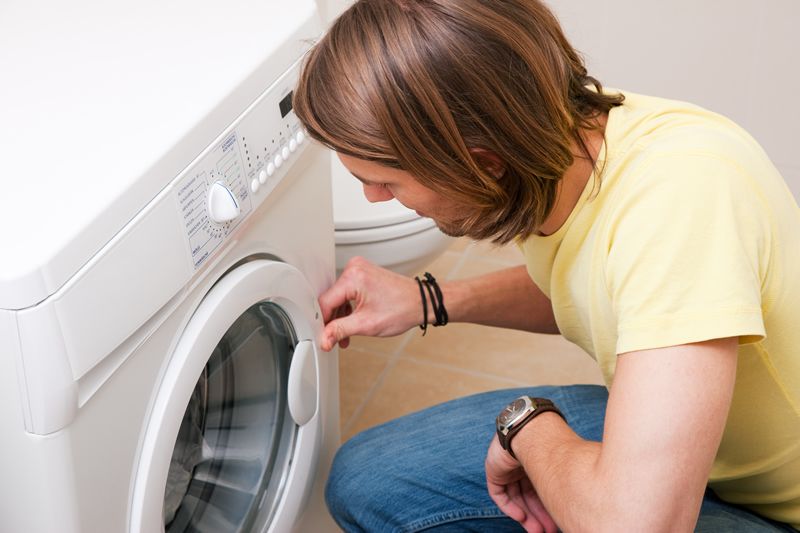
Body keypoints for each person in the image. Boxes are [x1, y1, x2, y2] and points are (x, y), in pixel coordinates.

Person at [293, 0, 800, 531]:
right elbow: (606, 286)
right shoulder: (566, 145)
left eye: (387, 182)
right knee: (367, 480)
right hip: (716, 451)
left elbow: (637, 525)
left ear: (482, 164)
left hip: (775, 507)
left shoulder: (681, 197)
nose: (373, 198)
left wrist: (528, 426)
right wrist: (429, 300)